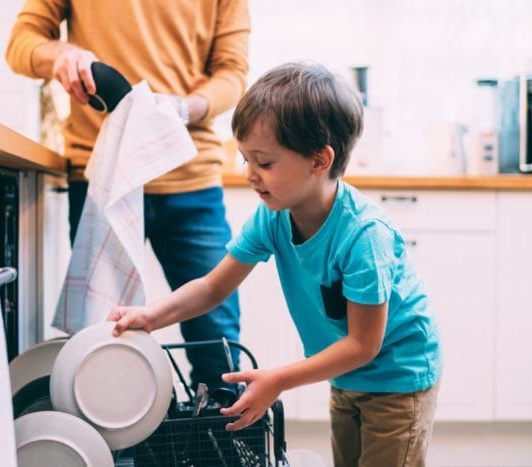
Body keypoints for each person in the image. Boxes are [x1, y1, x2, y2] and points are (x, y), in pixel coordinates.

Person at [109, 62, 442, 467]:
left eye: (264, 163)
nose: (250, 175)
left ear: (320, 161)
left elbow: (363, 344)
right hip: (347, 375)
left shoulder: (363, 237)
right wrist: (151, 316)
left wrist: (278, 380)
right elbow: (214, 287)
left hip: (397, 377)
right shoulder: (275, 215)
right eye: (246, 159)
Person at [5, 1, 250, 390]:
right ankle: (108, 450)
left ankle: (218, 441)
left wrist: (183, 108)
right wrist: (60, 55)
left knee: (216, 347)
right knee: (101, 339)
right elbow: (21, 42)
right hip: (103, 176)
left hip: (190, 178)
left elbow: (232, 74)